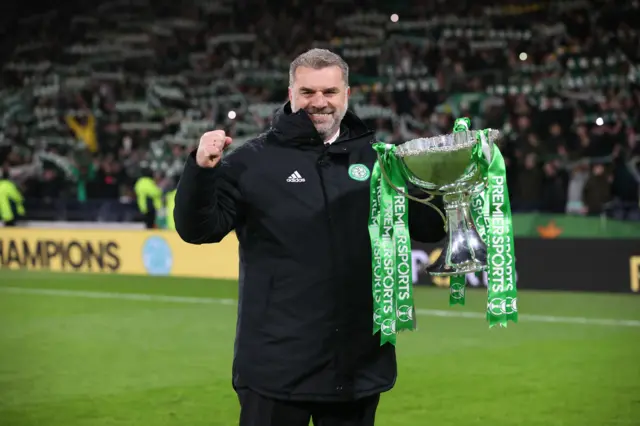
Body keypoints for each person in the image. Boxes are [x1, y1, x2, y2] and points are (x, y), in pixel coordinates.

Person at [174, 48, 446, 426]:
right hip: (276, 369)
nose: (319, 102)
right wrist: (201, 171)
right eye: (308, 92)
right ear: (291, 94)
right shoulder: (251, 161)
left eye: (329, 92)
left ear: (347, 94)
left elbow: (430, 228)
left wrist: (444, 183)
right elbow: (197, 230)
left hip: (356, 368)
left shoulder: (380, 160)